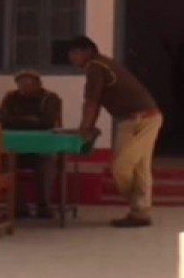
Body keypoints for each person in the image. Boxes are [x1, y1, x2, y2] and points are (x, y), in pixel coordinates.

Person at [68, 36, 163, 228]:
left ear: (87, 51)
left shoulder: (96, 66)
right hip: (139, 118)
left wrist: (85, 129)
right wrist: (87, 127)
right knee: (140, 168)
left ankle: (137, 204)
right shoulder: (103, 64)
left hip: (139, 120)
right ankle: (140, 213)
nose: (72, 58)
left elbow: (91, 102)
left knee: (121, 166)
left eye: (74, 53)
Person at [0, 70, 60, 219]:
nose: (23, 88)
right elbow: (3, 120)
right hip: (15, 149)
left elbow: (47, 122)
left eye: (28, 84)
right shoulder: (11, 97)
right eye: (20, 84)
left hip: (42, 149)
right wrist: (31, 120)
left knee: (47, 162)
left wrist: (17, 120)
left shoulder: (50, 98)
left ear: (38, 85)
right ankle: (18, 207)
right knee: (5, 162)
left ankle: (44, 206)